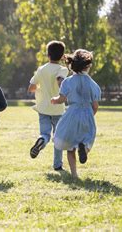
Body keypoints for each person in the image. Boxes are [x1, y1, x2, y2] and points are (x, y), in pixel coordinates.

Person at [51, 49, 101, 178]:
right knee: (87, 140)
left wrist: (55, 100)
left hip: (72, 114)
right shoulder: (93, 84)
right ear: (88, 66)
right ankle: (83, 149)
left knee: (70, 146)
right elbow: (95, 106)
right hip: (87, 114)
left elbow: (61, 99)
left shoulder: (67, 81)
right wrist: (90, 115)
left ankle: (74, 174)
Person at [28, 41, 69, 171]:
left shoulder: (41, 69)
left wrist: (41, 88)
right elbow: (60, 81)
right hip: (57, 108)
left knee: (45, 133)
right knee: (58, 137)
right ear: (62, 55)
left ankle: (41, 140)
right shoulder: (63, 69)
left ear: (48, 55)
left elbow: (31, 88)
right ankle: (57, 165)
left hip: (43, 108)